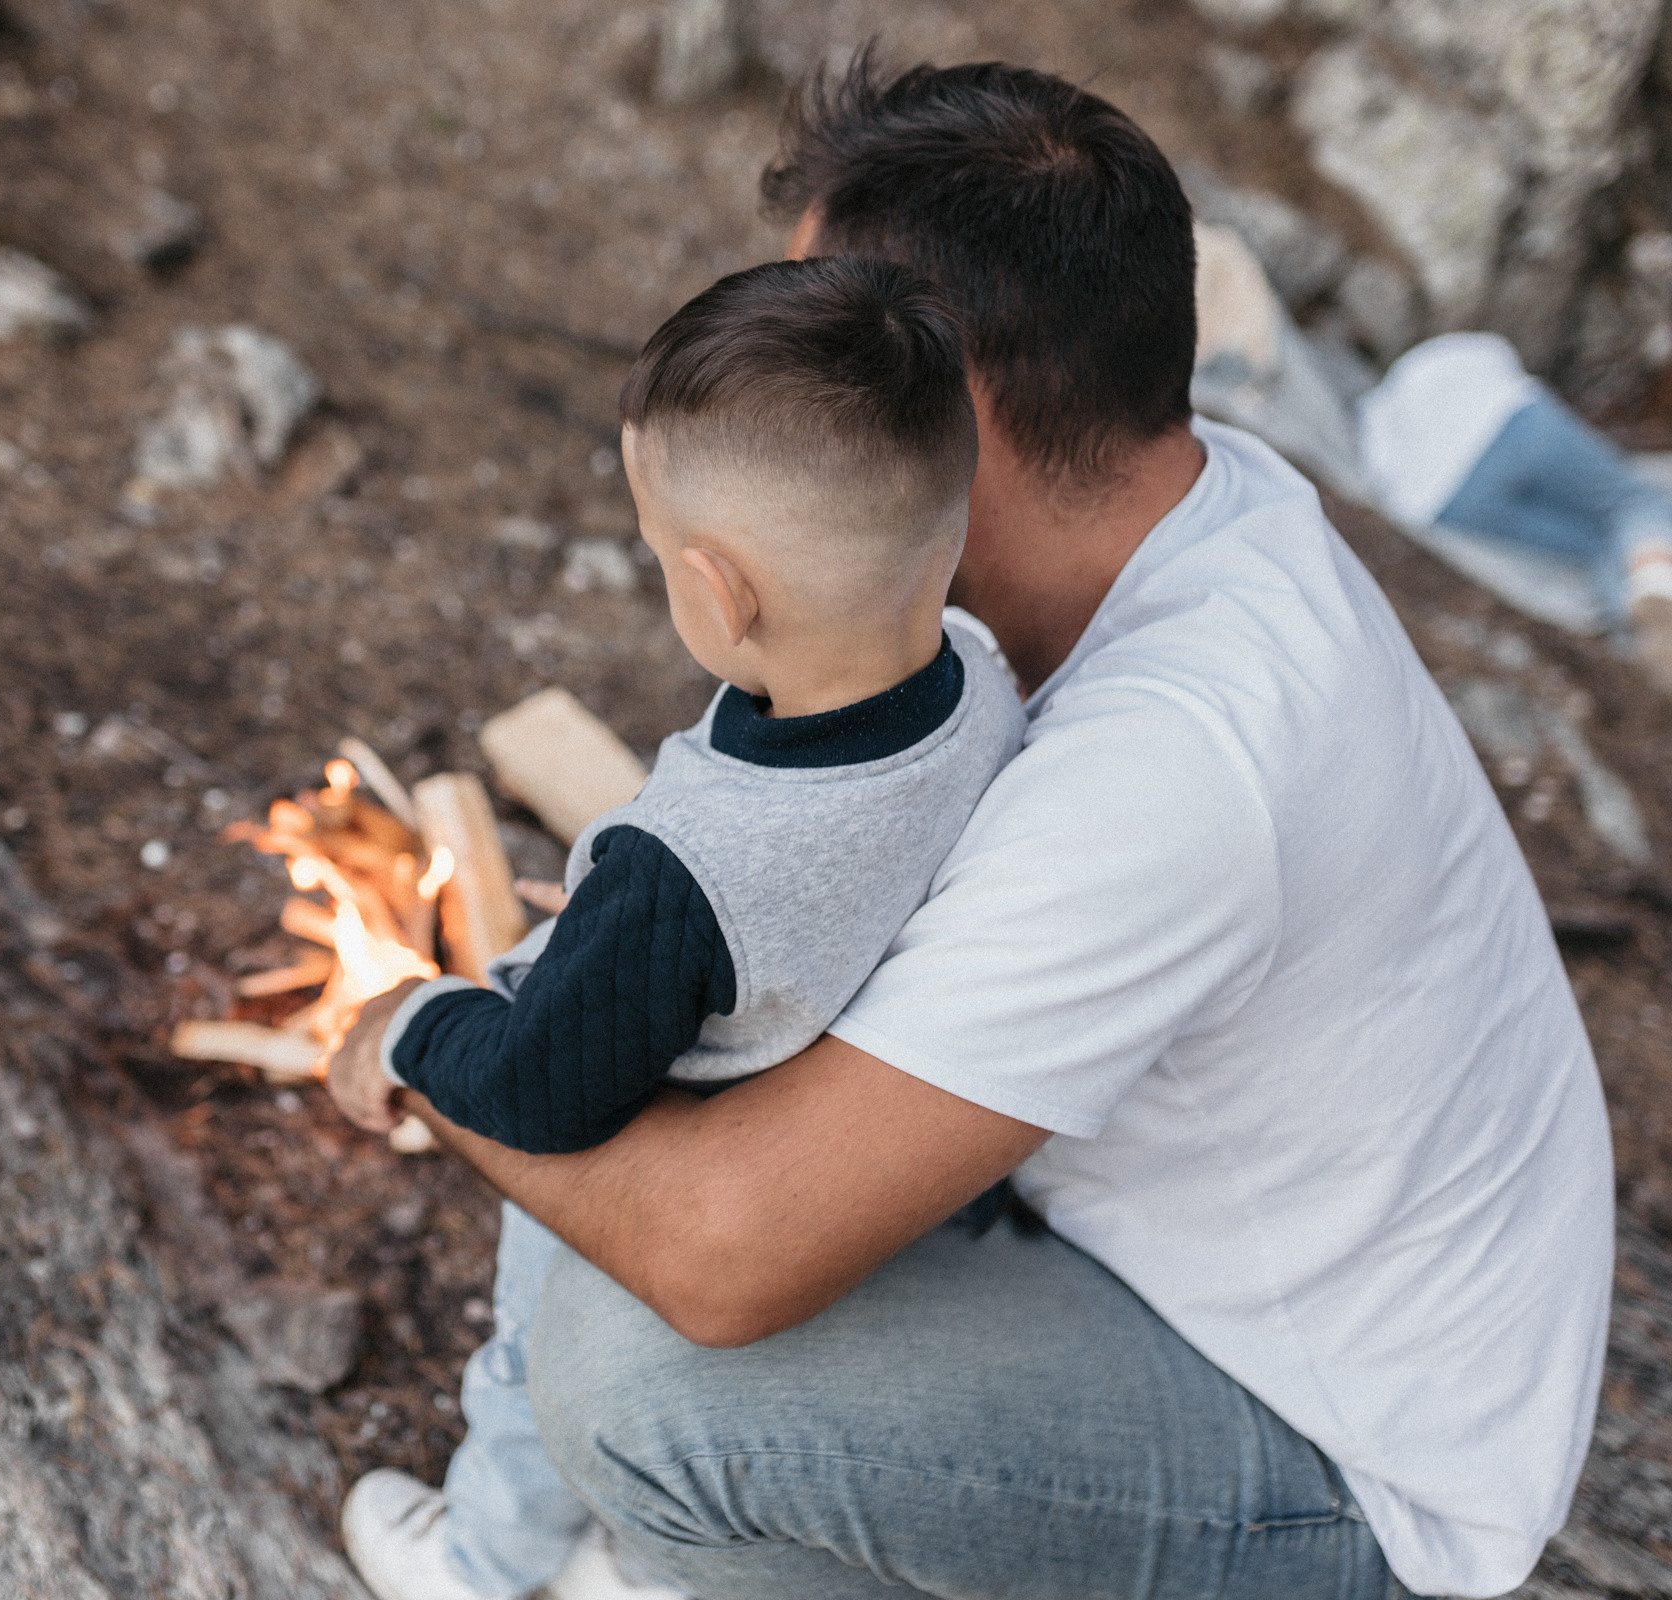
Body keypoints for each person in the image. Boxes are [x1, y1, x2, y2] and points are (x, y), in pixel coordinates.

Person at [327, 49, 1613, 1600]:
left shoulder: (1177, 769)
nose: (793, 383)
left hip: (1343, 1459)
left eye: (831, 353)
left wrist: (431, 1035)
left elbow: (724, 1265)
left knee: (643, 1375)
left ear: (963, 412)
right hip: (1228, 1267)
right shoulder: (1182, 507)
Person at [335, 255, 1023, 1600]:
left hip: (680, 1136)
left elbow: (545, 1097)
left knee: (537, 1353)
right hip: (833, 1108)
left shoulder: (684, 871)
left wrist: (413, 1021)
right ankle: (647, 1562)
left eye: (657, 552)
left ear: (718, 596)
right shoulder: (983, 684)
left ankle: (482, 1560)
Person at [1357, 331, 1672, 690]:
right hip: (1511, 421)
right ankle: (1658, 585)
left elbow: (1389, 492)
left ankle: (1643, 647)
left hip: (1451, 500)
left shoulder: (1376, 422)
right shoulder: (1450, 350)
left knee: (1596, 545)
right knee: (1633, 501)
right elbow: (1505, 363)